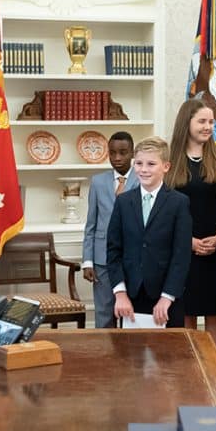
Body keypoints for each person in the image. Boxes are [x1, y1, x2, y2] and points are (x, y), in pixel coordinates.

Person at [108, 136, 193, 328]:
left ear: (166, 166)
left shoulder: (179, 203)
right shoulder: (123, 202)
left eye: (151, 164)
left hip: (166, 298)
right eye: (139, 163)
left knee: (168, 355)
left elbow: (181, 255)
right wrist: (120, 293)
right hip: (130, 297)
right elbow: (113, 251)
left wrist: (167, 297)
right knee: (129, 354)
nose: (143, 169)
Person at [167, 98, 216, 349]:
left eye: (211, 122)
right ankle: (190, 368)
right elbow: (165, 209)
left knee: (215, 311)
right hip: (182, 248)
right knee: (186, 310)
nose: (208, 126)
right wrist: (188, 242)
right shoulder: (170, 158)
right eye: (202, 121)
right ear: (186, 122)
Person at [82, 132, 138, 328]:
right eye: (112, 153)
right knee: (104, 311)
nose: (117, 158)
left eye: (123, 152)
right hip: (102, 260)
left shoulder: (142, 179)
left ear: (132, 153)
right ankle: (103, 353)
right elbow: (91, 225)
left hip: (132, 258)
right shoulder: (98, 182)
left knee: (131, 312)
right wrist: (88, 261)